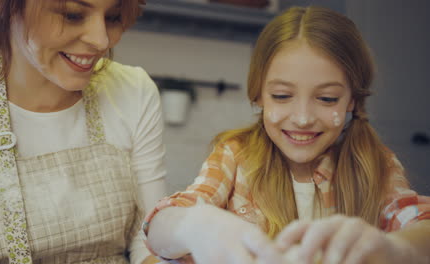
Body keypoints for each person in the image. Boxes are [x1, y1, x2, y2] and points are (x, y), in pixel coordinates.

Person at [143, 6, 430, 264]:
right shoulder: (235, 154)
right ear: (258, 95)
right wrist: (195, 226)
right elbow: (159, 227)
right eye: (282, 96)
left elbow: (421, 223)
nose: (303, 118)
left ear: (352, 101)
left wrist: (395, 248)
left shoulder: (376, 163)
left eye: (327, 98)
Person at [0, 0, 166, 263]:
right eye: (72, 15)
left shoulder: (134, 91)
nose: (101, 40)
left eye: (113, 17)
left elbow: (149, 242)